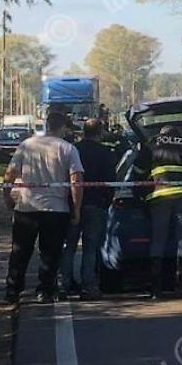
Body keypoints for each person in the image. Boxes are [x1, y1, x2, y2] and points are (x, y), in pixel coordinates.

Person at [3, 110, 84, 305]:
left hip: (26, 207)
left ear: (47, 125)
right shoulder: (68, 149)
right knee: (50, 253)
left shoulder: (27, 145)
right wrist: (77, 209)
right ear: (63, 127)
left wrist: (7, 197)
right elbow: (76, 180)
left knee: (20, 251)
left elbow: (10, 173)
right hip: (56, 210)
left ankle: (13, 290)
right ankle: (45, 291)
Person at [133, 124, 182, 298]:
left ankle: (156, 289)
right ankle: (181, 287)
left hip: (160, 196)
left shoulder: (152, 143)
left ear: (161, 134)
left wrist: (141, 192)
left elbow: (138, 170)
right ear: (178, 133)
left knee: (158, 240)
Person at [60, 118, 119, 299]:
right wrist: (106, 203)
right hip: (96, 205)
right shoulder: (106, 153)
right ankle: (89, 286)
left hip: (72, 203)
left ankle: (64, 285)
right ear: (100, 134)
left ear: (83, 131)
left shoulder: (72, 150)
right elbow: (111, 182)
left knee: (68, 246)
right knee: (91, 248)